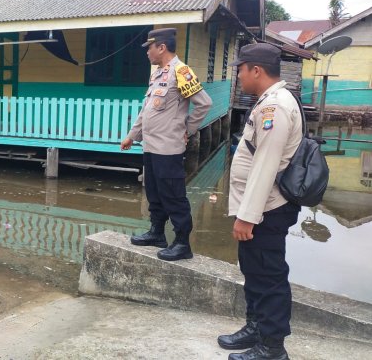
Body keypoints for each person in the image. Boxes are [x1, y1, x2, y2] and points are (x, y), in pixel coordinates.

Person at [217, 43, 302, 360]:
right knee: (254, 272)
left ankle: (272, 347)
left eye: (240, 68)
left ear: (256, 70)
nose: (238, 75)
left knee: (268, 276)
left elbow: (266, 167)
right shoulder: (270, 102)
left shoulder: (274, 108)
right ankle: (256, 327)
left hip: (266, 210)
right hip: (260, 208)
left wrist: (247, 217)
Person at [120, 28, 212, 261]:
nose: (147, 53)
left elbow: (204, 104)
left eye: (149, 48)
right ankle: (157, 233)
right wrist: (133, 135)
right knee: (154, 192)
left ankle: (182, 243)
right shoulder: (157, 74)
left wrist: (186, 130)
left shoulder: (181, 72)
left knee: (173, 195)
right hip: (151, 146)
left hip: (168, 148)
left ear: (161, 47)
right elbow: (147, 109)